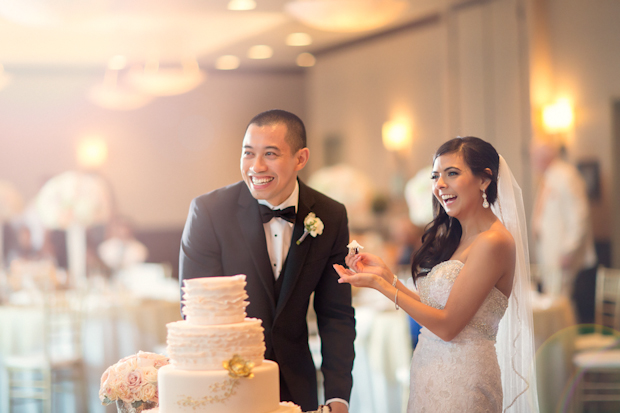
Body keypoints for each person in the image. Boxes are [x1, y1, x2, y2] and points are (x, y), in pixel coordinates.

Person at [335, 137, 539, 412]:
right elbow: (434, 308)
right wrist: (385, 275)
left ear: (484, 179)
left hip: (464, 379)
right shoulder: (459, 238)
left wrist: (380, 287)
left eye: (452, 173)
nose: (439, 185)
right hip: (428, 369)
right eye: (435, 176)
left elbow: (446, 326)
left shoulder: (494, 242)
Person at [179, 109, 355, 413]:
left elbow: (335, 314)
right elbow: (197, 314)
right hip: (226, 384)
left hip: (298, 384)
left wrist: (338, 396)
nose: (256, 166)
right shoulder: (209, 212)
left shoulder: (331, 215)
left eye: (270, 154)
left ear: (301, 158)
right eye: (249, 153)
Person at [530, 138, 597, 323]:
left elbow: (579, 215)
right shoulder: (549, 177)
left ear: (545, 156)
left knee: (561, 302)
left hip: (562, 253)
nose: (532, 162)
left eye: (534, 157)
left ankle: (565, 346)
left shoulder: (566, 175)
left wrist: (569, 249)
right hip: (549, 253)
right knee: (555, 299)